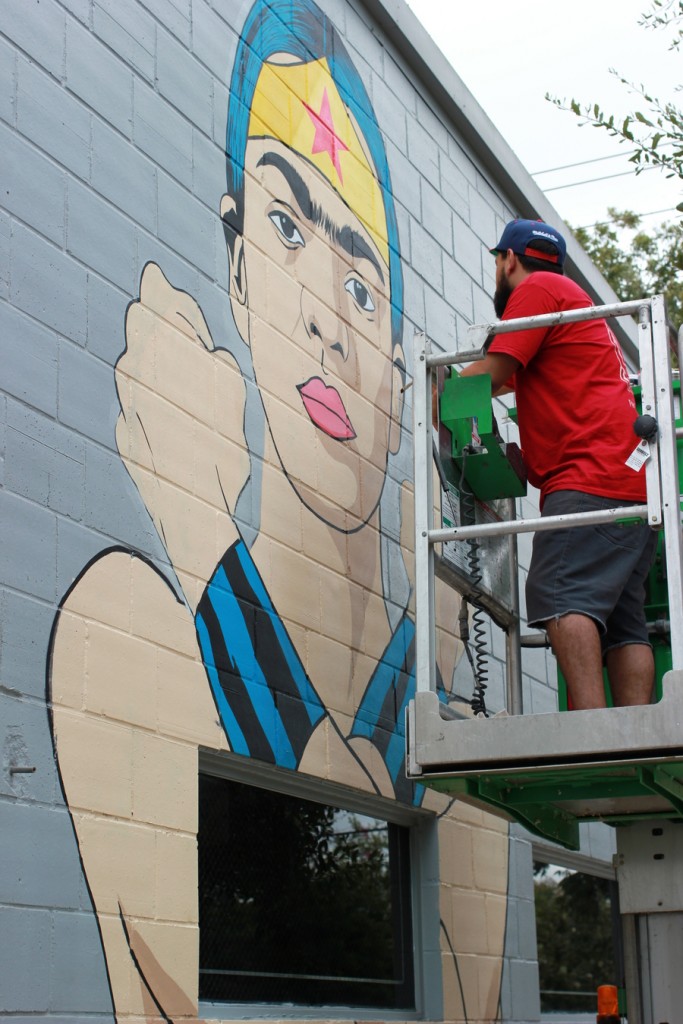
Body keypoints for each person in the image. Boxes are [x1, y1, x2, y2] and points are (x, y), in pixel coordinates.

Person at [48, 3, 510, 1020]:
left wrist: (212, 547)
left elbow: (339, 770)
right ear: (236, 272)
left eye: (361, 283)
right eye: (287, 226)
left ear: (399, 374)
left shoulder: (457, 774)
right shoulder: (129, 636)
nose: (320, 314)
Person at [460, 218, 657, 711]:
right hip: (630, 480)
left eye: (498, 263)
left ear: (508, 259)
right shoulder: (572, 300)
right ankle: (631, 737)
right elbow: (520, 382)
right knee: (622, 620)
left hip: (590, 477)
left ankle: (589, 732)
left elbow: (496, 370)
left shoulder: (538, 288)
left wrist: (441, 384)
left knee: (559, 590)